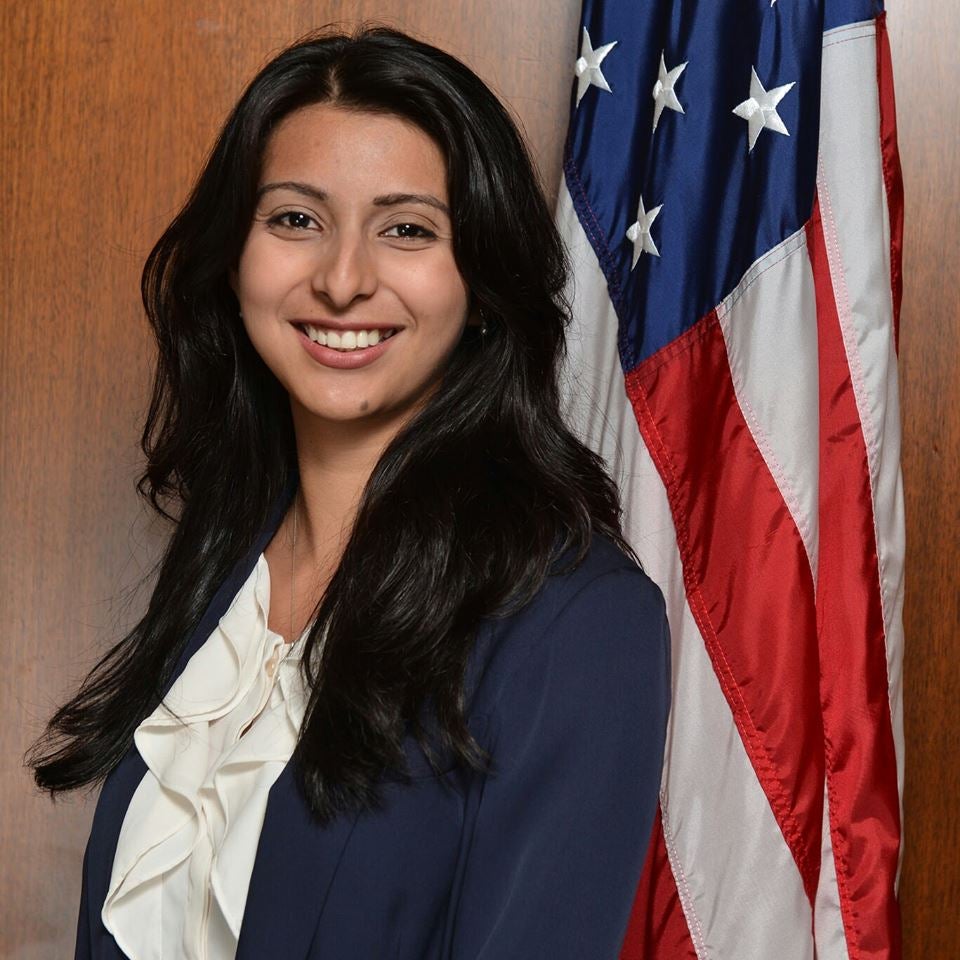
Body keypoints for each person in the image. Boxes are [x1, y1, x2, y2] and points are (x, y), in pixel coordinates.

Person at [29, 25, 670, 960]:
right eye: (296, 219)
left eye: (407, 229)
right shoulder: (223, 570)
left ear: (483, 285)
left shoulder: (577, 624)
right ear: (235, 257)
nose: (340, 280)